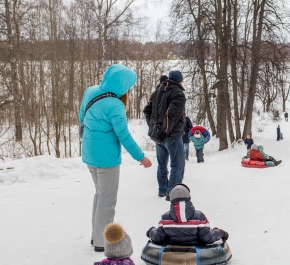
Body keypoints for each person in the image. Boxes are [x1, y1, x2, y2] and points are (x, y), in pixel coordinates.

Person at [79, 64, 152, 252]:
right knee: (107, 199)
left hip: (89, 152)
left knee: (99, 194)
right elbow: (123, 135)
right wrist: (141, 157)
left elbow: (81, 118)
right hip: (106, 159)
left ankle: (96, 236)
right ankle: (102, 242)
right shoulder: (115, 105)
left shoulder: (91, 91)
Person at [144, 70, 186, 200]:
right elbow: (170, 115)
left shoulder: (157, 91)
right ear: (180, 81)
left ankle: (162, 190)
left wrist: (153, 128)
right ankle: (172, 193)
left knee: (162, 164)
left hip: (158, 135)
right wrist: (164, 131)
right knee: (177, 165)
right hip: (171, 135)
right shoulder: (178, 94)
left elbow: (147, 111)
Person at [146, 184, 229, 246]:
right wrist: (220, 233)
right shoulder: (199, 217)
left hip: (173, 251)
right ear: (189, 197)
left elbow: (159, 238)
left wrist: (151, 231)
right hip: (195, 252)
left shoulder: (165, 219)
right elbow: (207, 238)